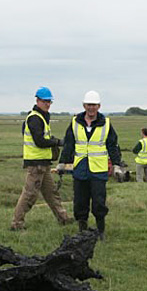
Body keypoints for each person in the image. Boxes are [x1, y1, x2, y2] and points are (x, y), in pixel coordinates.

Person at [57, 90, 125, 239]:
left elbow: (113, 146)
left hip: (98, 170)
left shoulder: (106, 124)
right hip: (80, 168)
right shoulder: (75, 122)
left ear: (99, 106)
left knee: (99, 202)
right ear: (84, 106)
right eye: (89, 105)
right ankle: (83, 231)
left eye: (94, 105)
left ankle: (101, 231)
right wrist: (62, 163)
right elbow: (69, 143)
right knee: (80, 202)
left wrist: (117, 165)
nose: (91, 108)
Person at [10, 86, 73, 230]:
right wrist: (58, 142)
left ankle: (63, 218)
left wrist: (55, 141)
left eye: (50, 102)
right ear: (37, 100)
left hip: (43, 163)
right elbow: (40, 141)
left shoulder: (41, 117)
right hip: (36, 164)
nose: (48, 104)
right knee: (30, 195)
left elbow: (44, 137)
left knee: (51, 193)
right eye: (45, 101)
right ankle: (16, 223)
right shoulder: (34, 118)